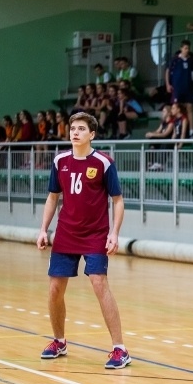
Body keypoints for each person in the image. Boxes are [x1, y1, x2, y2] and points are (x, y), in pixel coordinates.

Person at [36, 112, 131, 369]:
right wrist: (44, 229)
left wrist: (114, 234)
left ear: (92, 134)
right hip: (66, 233)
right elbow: (52, 198)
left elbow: (118, 201)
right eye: (72, 128)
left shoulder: (103, 162)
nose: (75, 133)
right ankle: (59, 341)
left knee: (99, 284)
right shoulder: (60, 161)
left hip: (95, 234)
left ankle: (120, 349)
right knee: (55, 288)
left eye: (80, 129)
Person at [166, 40, 193, 138]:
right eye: (185, 48)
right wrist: (168, 84)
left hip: (188, 88)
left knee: (189, 109)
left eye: (188, 48)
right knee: (175, 109)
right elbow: (167, 71)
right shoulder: (175, 60)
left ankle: (192, 131)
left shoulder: (191, 60)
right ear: (181, 48)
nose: (187, 50)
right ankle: (175, 131)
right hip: (177, 89)